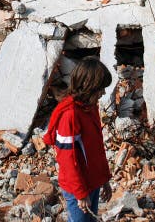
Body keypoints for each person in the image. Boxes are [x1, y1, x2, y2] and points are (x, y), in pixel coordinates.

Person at [43, 56, 113, 221]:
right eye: (100, 89)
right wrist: (80, 193)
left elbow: (97, 149)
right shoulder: (70, 115)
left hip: (92, 182)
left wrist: (104, 179)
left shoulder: (90, 108)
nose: (103, 93)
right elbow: (67, 160)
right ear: (89, 88)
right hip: (78, 188)